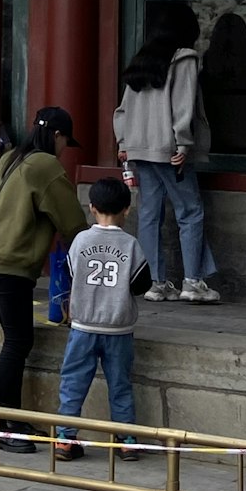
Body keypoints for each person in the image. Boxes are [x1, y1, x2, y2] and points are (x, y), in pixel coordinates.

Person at [0, 106, 88, 454]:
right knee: (18, 342)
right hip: (12, 261)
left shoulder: (11, 157)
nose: (66, 147)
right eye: (66, 139)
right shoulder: (46, 166)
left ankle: (11, 421)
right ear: (56, 135)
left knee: (16, 339)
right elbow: (72, 222)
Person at [113, 1, 219, 304]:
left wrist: (123, 143)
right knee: (190, 213)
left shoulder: (142, 61)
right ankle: (192, 282)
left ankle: (156, 284)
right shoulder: (184, 59)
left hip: (138, 148)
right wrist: (183, 143)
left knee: (149, 215)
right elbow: (183, 105)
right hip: (170, 149)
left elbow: (123, 109)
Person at [55, 176, 152, 462]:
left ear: (91, 207)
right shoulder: (131, 244)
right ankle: (126, 440)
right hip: (119, 327)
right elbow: (140, 285)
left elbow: (70, 273)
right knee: (120, 383)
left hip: (83, 326)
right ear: (127, 209)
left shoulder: (81, 240)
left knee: (73, 381)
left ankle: (64, 438)